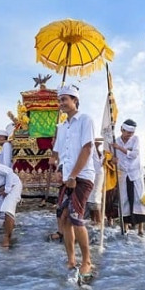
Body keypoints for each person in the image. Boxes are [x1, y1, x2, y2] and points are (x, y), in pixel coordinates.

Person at [50, 84, 95, 278]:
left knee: (76, 218)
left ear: (75, 100)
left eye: (65, 99)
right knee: (63, 217)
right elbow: (60, 154)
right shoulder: (61, 127)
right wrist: (60, 171)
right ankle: (71, 258)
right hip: (67, 177)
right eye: (60, 100)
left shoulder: (86, 120)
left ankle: (87, 261)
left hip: (82, 176)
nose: (62, 103)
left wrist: (73, 176)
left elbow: (87, 149)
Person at [112, 119, 145, 235]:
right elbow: (112, 157)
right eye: (127, 132)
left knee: (138, 198)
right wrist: (113, 159)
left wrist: (120, 148)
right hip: (123, 173)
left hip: (135, 173)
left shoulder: (135, 139)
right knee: (124, 199)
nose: (129, 135)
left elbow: (134, 154)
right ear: (121, 130)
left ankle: (141, 228)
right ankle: (125, 226)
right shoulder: (116, 141)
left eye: (131, 133)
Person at [86, 138, 105, 226]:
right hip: (90, 174)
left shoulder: (100, 155)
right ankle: (94, 220)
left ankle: (98, 221)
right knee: (90, 198)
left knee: (95, 199)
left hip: (97, 174)